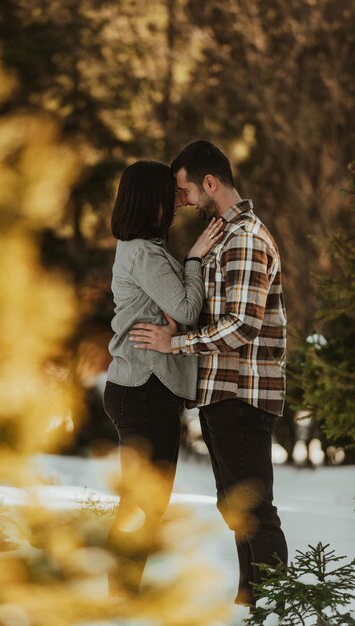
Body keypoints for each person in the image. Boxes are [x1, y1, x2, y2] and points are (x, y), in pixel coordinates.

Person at [129, 141, 288, 608]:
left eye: (184, 190)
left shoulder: (245, 238)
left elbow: (242, 326)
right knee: (236, 505)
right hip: (221, 391)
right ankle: (249, 601)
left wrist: (173, 343)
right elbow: (223, 314)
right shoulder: (227, 236)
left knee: (253, 508)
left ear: (210, 183)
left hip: (242, 391)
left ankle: (277, 606)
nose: (181, 201)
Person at [103, 159, 224, 594]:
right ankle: (119, 596)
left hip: (144, 387)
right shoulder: (144, 253)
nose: (177, 203)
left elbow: (180, 313)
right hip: (143, 388)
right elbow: (188, 310)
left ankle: (121, 593)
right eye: (169, 195)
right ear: (150, 200)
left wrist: (177, 323)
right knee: (142, 503)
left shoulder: (144, 250)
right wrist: (194, 259)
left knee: (145, 502)